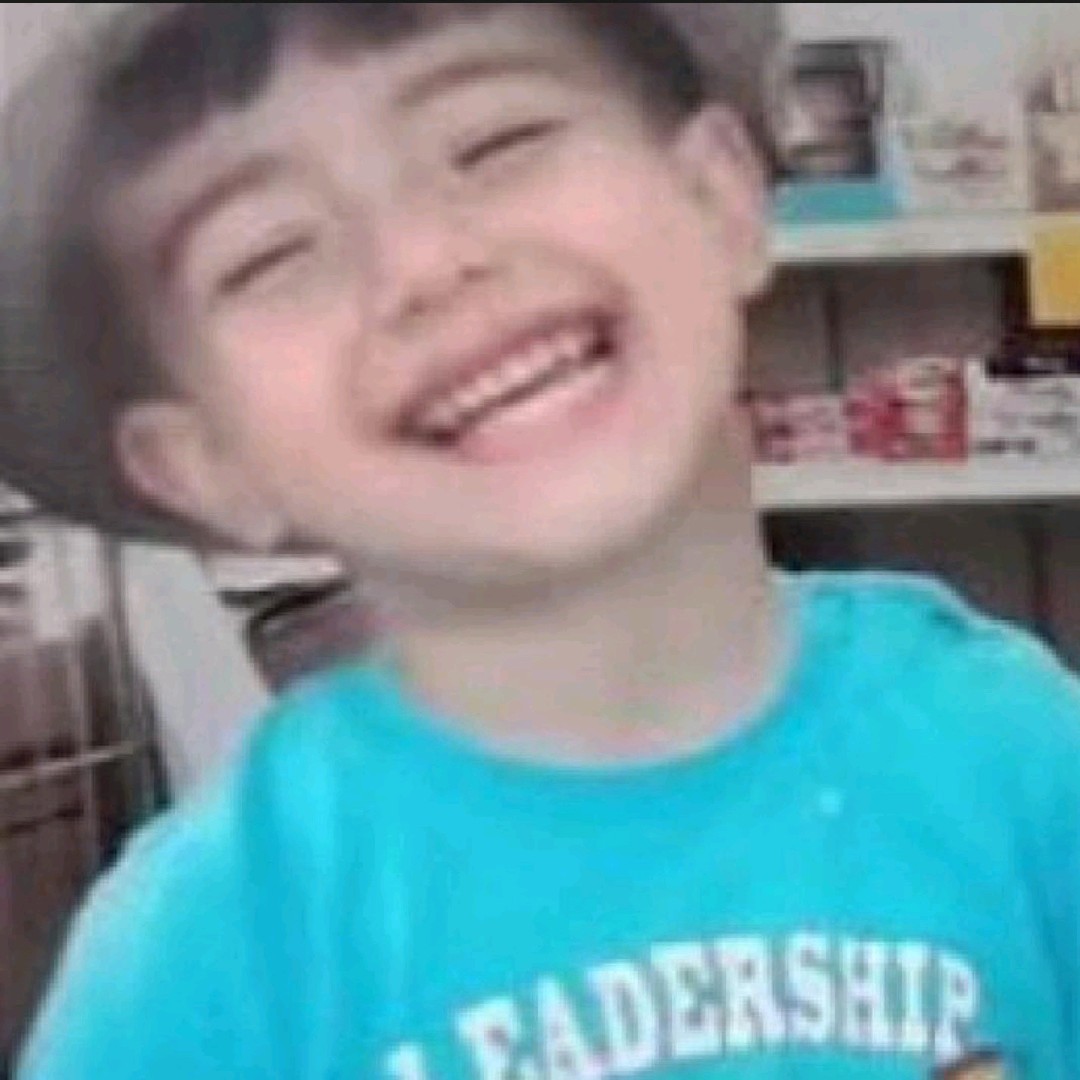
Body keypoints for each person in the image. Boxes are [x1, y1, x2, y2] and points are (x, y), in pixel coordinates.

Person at [3, 4, 1079, 1077]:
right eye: (272, 253)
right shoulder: (206, 959)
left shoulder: (1013, 754)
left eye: (496, 142)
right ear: (204, 461)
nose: (426, 262)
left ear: (718, 197)